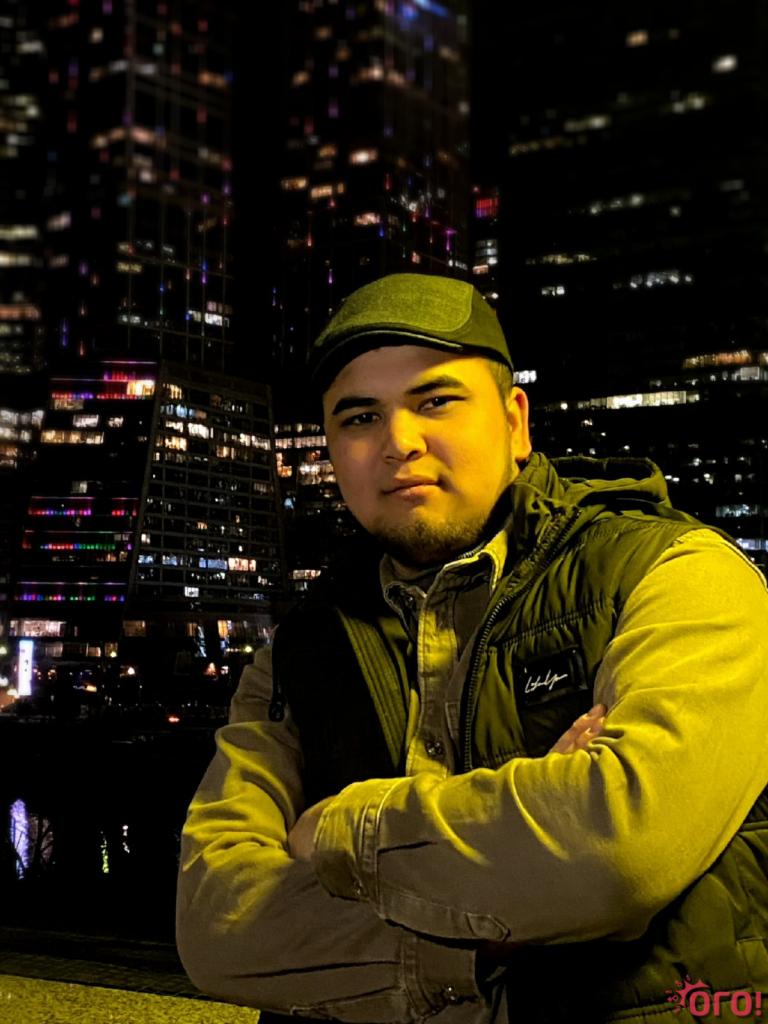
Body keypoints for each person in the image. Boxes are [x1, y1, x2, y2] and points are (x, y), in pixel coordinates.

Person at [176, 273, 768, 1024]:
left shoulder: (674, 572)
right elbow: (216, 928)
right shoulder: (304, 646)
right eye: (360, 417)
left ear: (516, 423)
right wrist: (490, 935)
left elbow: (621, 853)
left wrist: (333, 833)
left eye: (436, 401)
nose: (399, 443)